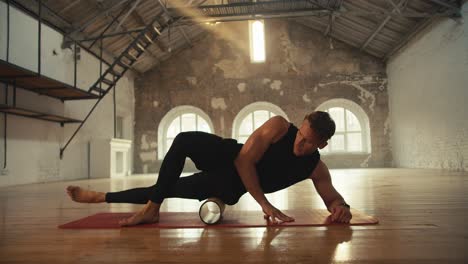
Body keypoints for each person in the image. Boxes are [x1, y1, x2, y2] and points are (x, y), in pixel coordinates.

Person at [67, 111, 352, 226]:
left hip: (228, 187)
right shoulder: (280, 126)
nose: (299, 144)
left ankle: (100, 197)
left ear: (322, 145)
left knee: (170, 188)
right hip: (228, 155)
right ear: (300, 125)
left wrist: (342, 207)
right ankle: (152, 208)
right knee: (183, 140)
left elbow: (332, 197)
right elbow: (244, 160)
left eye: (307, 143)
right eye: (300, 136)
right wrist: (265, 203)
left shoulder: (315, 167)